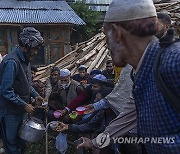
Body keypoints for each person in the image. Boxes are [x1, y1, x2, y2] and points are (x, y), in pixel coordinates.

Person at [78, 0, 180, 153]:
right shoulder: (140, 75)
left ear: (117, 33)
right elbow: (129, 116)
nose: (107, 45)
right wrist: (96, 142)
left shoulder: (173, 62)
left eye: (107, 36)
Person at [0, 27, 44, 154]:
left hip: (20, 111)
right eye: (34, 48)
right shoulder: (12, 62)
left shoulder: (26, 60)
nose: (36, 52)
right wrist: (24, 105)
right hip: (10, 112)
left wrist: (35, 95)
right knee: (12, 145)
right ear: (25, 46)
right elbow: (6, 90)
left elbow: (26, 84)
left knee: (22, 142)